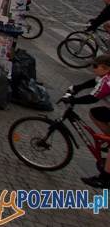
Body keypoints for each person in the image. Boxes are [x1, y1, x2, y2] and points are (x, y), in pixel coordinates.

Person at [63, 55, 110, 187]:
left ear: (106, 69)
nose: (92, 68)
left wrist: (73, 100)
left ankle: (104, 179)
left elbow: (92, 98)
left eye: (95, 66)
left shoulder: (107, 81)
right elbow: (93, 82)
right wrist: (76, 88)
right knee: (95, 113)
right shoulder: (104, 77)